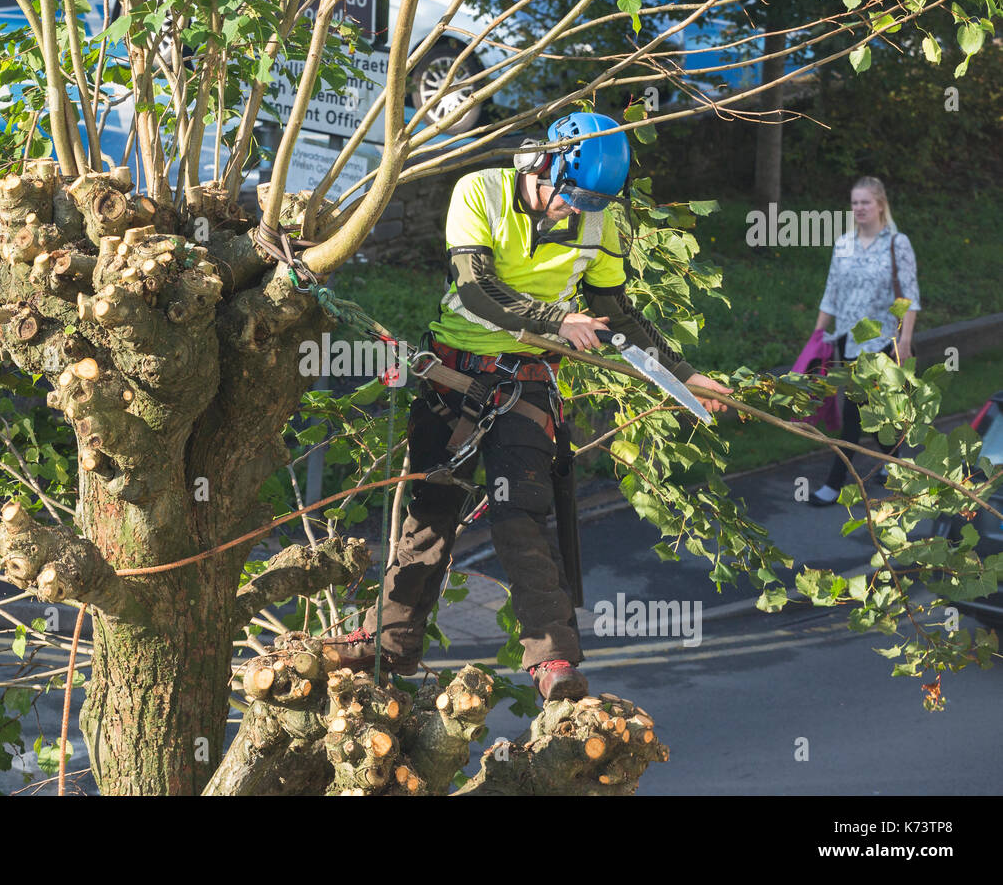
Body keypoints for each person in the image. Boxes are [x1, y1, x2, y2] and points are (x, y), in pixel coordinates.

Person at [325, 112, 730, 701]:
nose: (578, 211)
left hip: (526, 382)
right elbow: (474, 289)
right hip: (454, 376)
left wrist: (685, 376)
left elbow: (616, 317)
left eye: (592, 202)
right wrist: (557, 319)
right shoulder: (480, 191)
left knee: (522, 516)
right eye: (572, 196)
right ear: (545, 163)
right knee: (431, 512)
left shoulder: (598, 218)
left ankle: (554, 663)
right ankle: (392, 645)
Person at [808, 176, 920, 506]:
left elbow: (910, 296)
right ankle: (897, 465)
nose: (858, 208)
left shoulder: (897, 244)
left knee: (857, 415)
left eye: (865, 202)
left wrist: (905, 339)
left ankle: (835, 483)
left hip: (882, 343)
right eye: (854, 202)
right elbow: (831, 293)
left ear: (880, 204)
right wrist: (818, 336)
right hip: (848, 341)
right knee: (875, 414)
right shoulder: (844, 243)